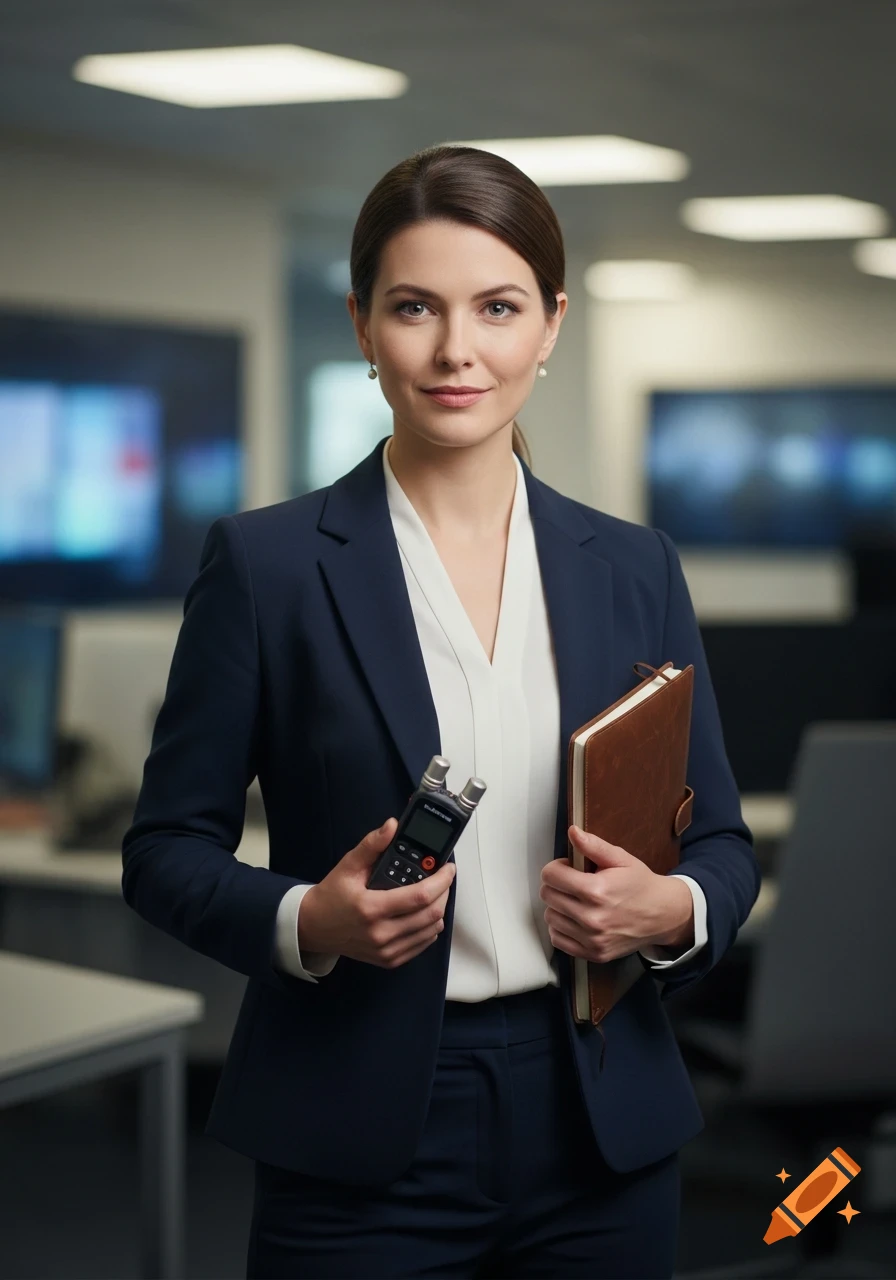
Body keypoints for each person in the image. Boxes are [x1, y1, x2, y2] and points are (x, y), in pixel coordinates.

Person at [121, 144, 760, 1279]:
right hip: (358, 1123)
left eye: (497, 307)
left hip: (598, 1108)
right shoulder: (266, 565)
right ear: (364, 324)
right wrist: (308, 920)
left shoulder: (632, 565)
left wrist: (667, 906)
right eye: (415, 306)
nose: (456, 349)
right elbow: (165, 848)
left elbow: (717, 843)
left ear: (549, 325)